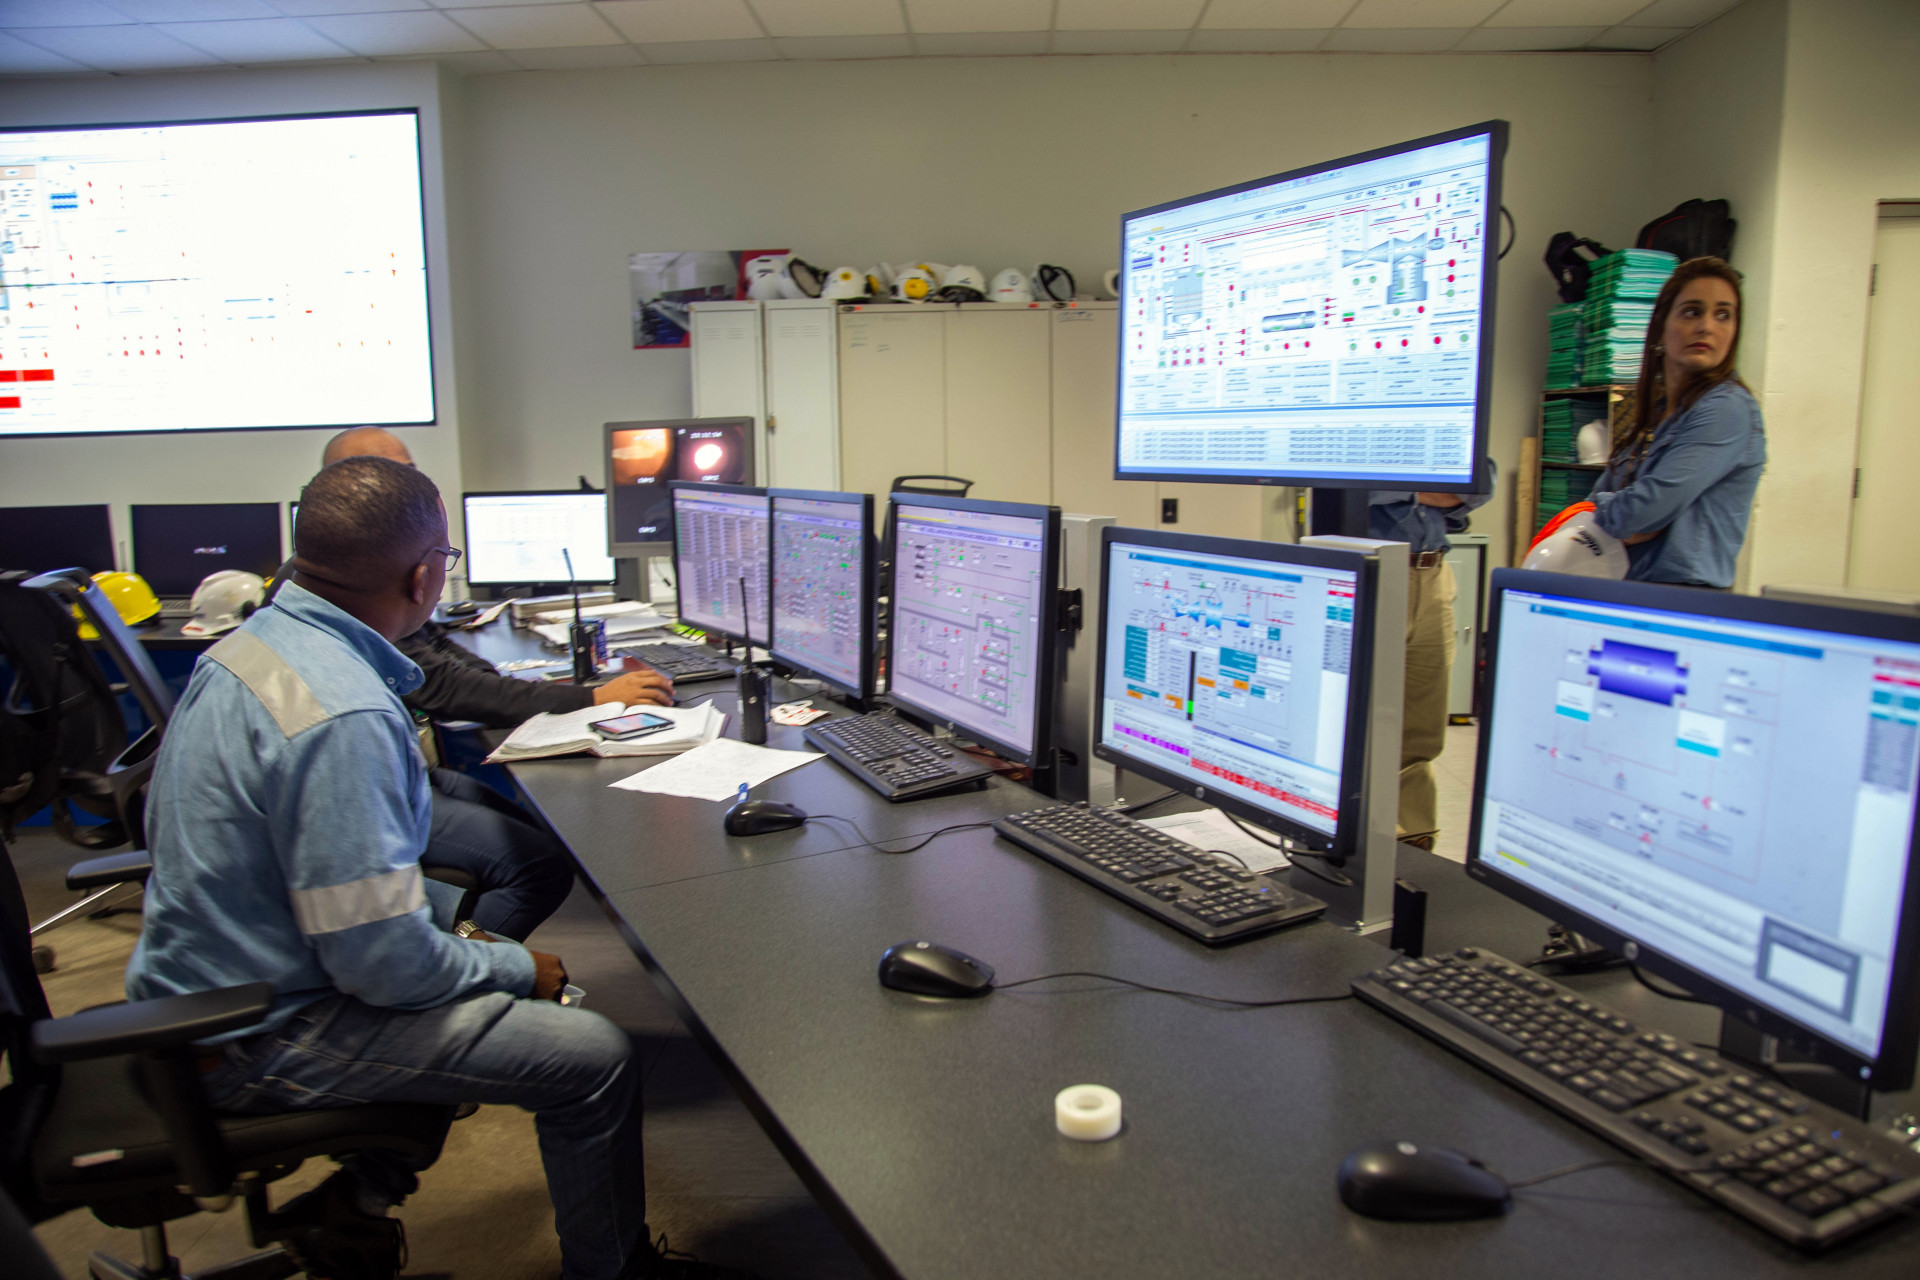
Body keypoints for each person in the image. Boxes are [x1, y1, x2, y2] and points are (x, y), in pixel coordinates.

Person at [127, 457, 709, 1279]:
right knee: (590, 1057)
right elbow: (384, 968)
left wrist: (470, 955)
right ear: (424, 575)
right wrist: (510, 966)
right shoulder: (343, 715)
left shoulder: (252, 648)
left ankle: (360, 1198)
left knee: (477, 975)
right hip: (259, 1032)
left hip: (209, 983)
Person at [312, 428, 673, 940]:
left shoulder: (344, 575)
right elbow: (442, 689)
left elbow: (435, 648)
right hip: (369, 796)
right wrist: (592, 697)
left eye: (408, 473)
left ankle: (460, 940)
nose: (400, 489)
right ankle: (469, 968)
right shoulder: (353, 587)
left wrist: (492, 683)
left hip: (399, 772)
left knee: (536, 826)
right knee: (539, 866)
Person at [1590, 257, 1766, 588]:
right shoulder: (1659, 414)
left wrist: (1620, 514)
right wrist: (1619, 516)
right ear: (1660, 327)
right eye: (1691, 312)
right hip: (1627, 591)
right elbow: (1599, 508)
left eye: (1723, 315)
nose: (1707, 327)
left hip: (1682, 602)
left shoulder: (1727, 409)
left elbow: (1639, 513)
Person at [1370, 460, 1496, 850]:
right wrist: (1428, 489)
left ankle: (1414, 842)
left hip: (1434, 573)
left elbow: (1482, 483)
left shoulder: (1450, 426)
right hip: (1375, 572)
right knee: (1363, 720)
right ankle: (1356, 842)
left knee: (1422, 727)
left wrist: (1404, 490)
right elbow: (1357, 488)